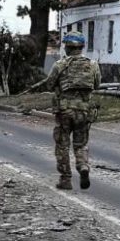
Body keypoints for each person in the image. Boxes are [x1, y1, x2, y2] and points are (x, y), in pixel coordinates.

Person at [43, 33, 101, 190]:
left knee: (62, 145)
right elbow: (97, 85)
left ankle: (66, 179)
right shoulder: (93, 65)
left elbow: (49, 85)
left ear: (67, 47)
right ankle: (83, 166)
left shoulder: (60, 65)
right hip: (84, 111)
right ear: (82, 47)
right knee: (80, 144)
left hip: (64, 111)